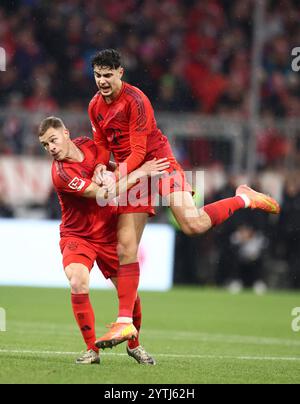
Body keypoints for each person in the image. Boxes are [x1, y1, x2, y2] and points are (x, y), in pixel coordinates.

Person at [88, 49, 281, 348]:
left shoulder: (137, 101)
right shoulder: (94, 106)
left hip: (159, 163)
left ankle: (243, 198)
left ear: (121, 73)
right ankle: (124, 323)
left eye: (108, 75)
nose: (102, 81)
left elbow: (139, 152)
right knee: (125, 248)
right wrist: (101, 166)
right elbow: (101, 144)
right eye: (98, 75)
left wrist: (116, 177)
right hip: (133, 175)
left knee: (192, 224)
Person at [38, 116, 170, 365]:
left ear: (66, 133)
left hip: (108, 234)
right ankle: (92, 350)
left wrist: (117, 170)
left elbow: (111, 167)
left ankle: (135, 345)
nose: (51, 148)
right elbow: (103, 194)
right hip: (78, 236)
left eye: (53, 140)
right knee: (77, 280)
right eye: (45, 145)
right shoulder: (62, 173)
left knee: (129, 295)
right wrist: (141, 172)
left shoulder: (88, 145)